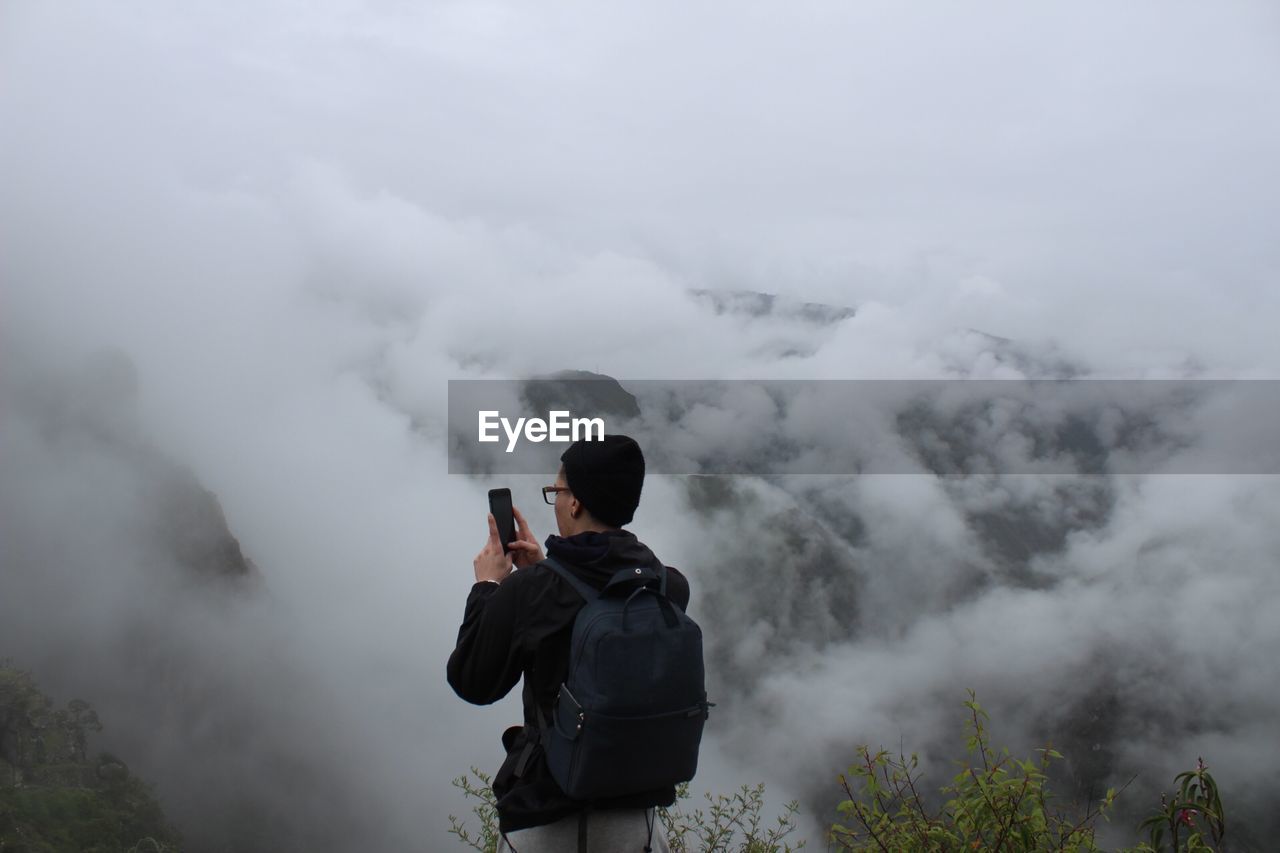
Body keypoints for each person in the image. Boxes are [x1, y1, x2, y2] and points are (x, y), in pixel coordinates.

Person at [447, 435, 690, 853]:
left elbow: (472, 681)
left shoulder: (532, 593)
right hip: (640, 827)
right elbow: (591, 599)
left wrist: (489, 586)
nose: (556, 501)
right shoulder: (668, 584)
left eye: (556, 492)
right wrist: (544, 571)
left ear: (575, 502)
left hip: (548, 824)